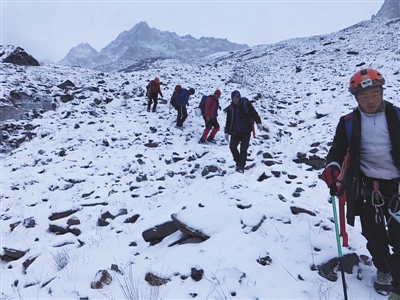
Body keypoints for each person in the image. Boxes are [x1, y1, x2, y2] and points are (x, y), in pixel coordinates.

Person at [321, 68, 400, 300]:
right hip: (367, 188)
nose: (370, 100)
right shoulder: (348, 123)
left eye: (375, 94)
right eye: (364, 96)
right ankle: (383, 270)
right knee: (374, 236)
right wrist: (332, 170)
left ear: (382, 92)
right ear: (356, 97)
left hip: (397, 187)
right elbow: (336, 151)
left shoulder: (397, 116)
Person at [224, 90, 262, 173]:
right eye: (233, 98)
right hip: (235, 132)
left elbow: (254, 114)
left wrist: (258, 122)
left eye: (236, 98)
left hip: (246, 131)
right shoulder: (230, 108)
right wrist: (226, 132)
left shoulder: (246, 104)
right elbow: (228, 121)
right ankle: (238, 162)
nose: (235, 99)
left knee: (243, 149)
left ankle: (241, 165)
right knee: (232, 147)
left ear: (239, 97)